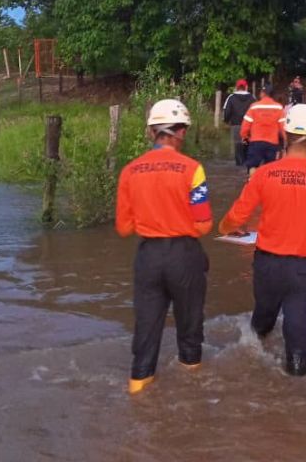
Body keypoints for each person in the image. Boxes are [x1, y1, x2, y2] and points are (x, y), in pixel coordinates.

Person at [219, 104, 306, 376]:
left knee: (262, 323)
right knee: (298, 345)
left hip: (267, 266)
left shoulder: (264, 174)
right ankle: (297, 402)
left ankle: (253, 362)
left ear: (283, 135)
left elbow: (237, 214)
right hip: (305, 269)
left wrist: (225, 227)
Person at [115, 99, 212, 394]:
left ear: (153, 131)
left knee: (146, 327)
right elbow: (204, 224)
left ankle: (138, 388)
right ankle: (192, 388)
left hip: (148, 257)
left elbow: (123, 228)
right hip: (184, 255)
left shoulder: (130, 171)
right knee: (190, 326)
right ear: (179, 132)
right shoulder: (193, 169)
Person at [241, 85, 285, 176]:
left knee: (253, 166)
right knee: (270, 170)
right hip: (272, 144)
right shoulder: (279, 108)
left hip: (255, 142)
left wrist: (245, 136)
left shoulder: (254, 107)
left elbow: (245, 127)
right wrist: (285, 143)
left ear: (263, 93)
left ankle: (251, 183)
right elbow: (283, 128)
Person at [223, 79, 254, 167]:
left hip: (236, 126)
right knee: (247, 148)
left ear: (236, 87)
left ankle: (239, 168)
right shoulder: (252, 98)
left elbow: (227, 112)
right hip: (249, 127)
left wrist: (226, 121)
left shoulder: (231, 97)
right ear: (246, 87)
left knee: (238, 149)